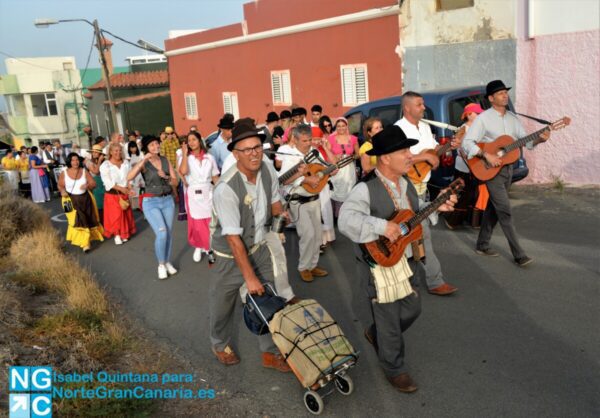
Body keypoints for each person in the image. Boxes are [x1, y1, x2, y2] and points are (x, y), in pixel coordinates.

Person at [338, 125, 457, 393]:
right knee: (390, 318)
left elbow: (414, 218)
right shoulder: (365, 188)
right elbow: (345, 220)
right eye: (403, 150)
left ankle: (378, 333)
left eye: (409, 149)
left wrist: (438, 205)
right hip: (377, 265)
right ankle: (394, 368)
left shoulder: (405, 184)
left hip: (404, 261)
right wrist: (382, 227)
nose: (409, 155)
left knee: (412, 308)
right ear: (386, 158)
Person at [209, 118, 291, 372]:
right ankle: (219, 343)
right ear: (235, 154)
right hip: (228, 256)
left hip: (258, 247)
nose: (254, 153)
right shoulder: (225, 189)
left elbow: (275, 200)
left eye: (258, 147)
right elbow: (233, 240)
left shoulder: (267, 169)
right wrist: (250, 278)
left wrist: (280, 216)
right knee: (224, 304)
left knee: (267, 299)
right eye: (247, 149)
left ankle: (269, 352)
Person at [462, 80, 550, 267]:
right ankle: (519, 255)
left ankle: (482, 244)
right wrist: (486, 154)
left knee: (494, 209)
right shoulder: (483, 119)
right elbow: (467, 143)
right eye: (500, 93)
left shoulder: (513, 118)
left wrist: (539, 140)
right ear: (491, 98)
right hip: (490, 170)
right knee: (505, 211)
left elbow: (526, 142)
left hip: (509, 169)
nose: (505, 95)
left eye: (505, 92)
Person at [395, 91, 460, 296]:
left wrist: (447, 148)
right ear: (407, 108)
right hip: (406, 187)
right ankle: (434, 281)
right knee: (422, 234)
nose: (424, 107)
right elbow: (397, 158)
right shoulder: (398, 129)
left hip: (422, 187)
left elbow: (434, 152)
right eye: (419, 104)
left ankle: (409, 281)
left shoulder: (424, 127)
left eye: (423, 104)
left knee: (413, 235)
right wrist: (422, 156)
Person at [278, 124, 329, 283]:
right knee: (307, 234)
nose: (308, 143)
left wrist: (329, 170)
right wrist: (305, 179)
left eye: (310, 140)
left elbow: (323, 168)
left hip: (314, 198)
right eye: (304, 140)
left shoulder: (314, 153)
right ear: (296, 139)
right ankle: (303, 267)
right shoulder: (291, 156)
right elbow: (284, 180)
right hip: (298, 201)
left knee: (317, 235)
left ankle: (313, 265)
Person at [127, 135, 179, 279]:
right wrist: (143, 160)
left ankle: (167, 261)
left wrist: (166, 177)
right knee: (161, 233)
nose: (155, 146)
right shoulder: (143, 163)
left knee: (168, 233)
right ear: (146, 148)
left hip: (167, 200)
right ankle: (161, 264)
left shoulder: (165, 160)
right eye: (151, 145)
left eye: (157, 143)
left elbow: (175, 182)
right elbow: (129, 177)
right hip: (151, 202)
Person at [178, 131, 219, 263]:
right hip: (193, 192)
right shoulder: (187, 158)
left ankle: (208, 247)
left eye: (194, 139)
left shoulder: (209, 157)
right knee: (196, 224)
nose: (191, 142)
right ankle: (199, 246)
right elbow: (183, 172)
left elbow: (215, 176)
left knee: (209, 222)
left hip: (208, 191)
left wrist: (222, 189)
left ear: (199, 140)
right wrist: (184, 154)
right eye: (189, 140)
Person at [444, 103, 484, 229]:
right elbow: (456, 145)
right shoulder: (463, 128)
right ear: (469, 114)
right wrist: (465, 154)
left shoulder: (479, 128)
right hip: (464, 167)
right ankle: (452, 221)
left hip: (476, 166)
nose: (480, 115)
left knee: (473, 194)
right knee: (462, 195)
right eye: (477, 113)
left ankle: (469, 220)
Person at [58, 153, 104, 252]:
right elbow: (60, 185)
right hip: (70, 200)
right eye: (73, 160)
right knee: (77, 220)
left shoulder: (84, 171)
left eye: (77, 160)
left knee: (86, 219)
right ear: (69, 162)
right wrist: (62, 191)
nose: (76, 162)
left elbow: (93, 183)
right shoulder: (64, 173)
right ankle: (85, 244)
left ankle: (85, 241)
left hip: (86, 199)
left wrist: (87, 186)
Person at [100, 143, 137, 245]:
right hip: (112, 194)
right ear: (110, 152)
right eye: (115, 150)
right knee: (116, 216)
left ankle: (124, 234)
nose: (118, 152)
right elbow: (107, 181)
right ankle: (117, 234)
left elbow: (130, 177)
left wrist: (130, 187)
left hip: (124, 193)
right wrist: (121, 188)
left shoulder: (126, 163)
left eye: (120, 150)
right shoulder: (105, 165)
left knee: (125, 214)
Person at [325, 117, 359, 217]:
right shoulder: (331, 139)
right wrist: (335, 156)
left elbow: (358, 154)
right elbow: (327, 155)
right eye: (339, 126)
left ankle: (348, 214)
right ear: (336, 127)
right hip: (337, 168)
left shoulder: (353, 139)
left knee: (349, 189)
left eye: (343, 126)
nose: (341, 128)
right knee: (336, 190)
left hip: (349, 169)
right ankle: (337, 214)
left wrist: (351, 157)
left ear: (346, 126)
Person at [311, 134, 335, 248]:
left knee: (324, 211)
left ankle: (325, 239)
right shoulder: (304, 153)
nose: (316, 141)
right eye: (313, 139)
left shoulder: (318, 152)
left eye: (317, 139)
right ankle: (318, 241)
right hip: (311, 188)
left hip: (322, 185)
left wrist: (326, 148)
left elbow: (333, 165)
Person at [85, 144, 107, 221]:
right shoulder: (89, 162)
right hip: (95, 185)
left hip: (103, 184)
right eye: (93, 152)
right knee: (98, 205)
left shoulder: (105, 162)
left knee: (106, 205)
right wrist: (100, 161)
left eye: (96, 152)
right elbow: (96, 172)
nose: (94, 154)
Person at [126, 140, 144, 210]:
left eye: (134, 147)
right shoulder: (128, 157)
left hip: (139, 174)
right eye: (131, 148)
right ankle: (137, 206)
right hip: (131, 176)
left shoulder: (140, 154)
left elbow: (143, 164)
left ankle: (141, 205)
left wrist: (137, 165)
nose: (133, 149)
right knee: (134, 190)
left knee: (140, 190)